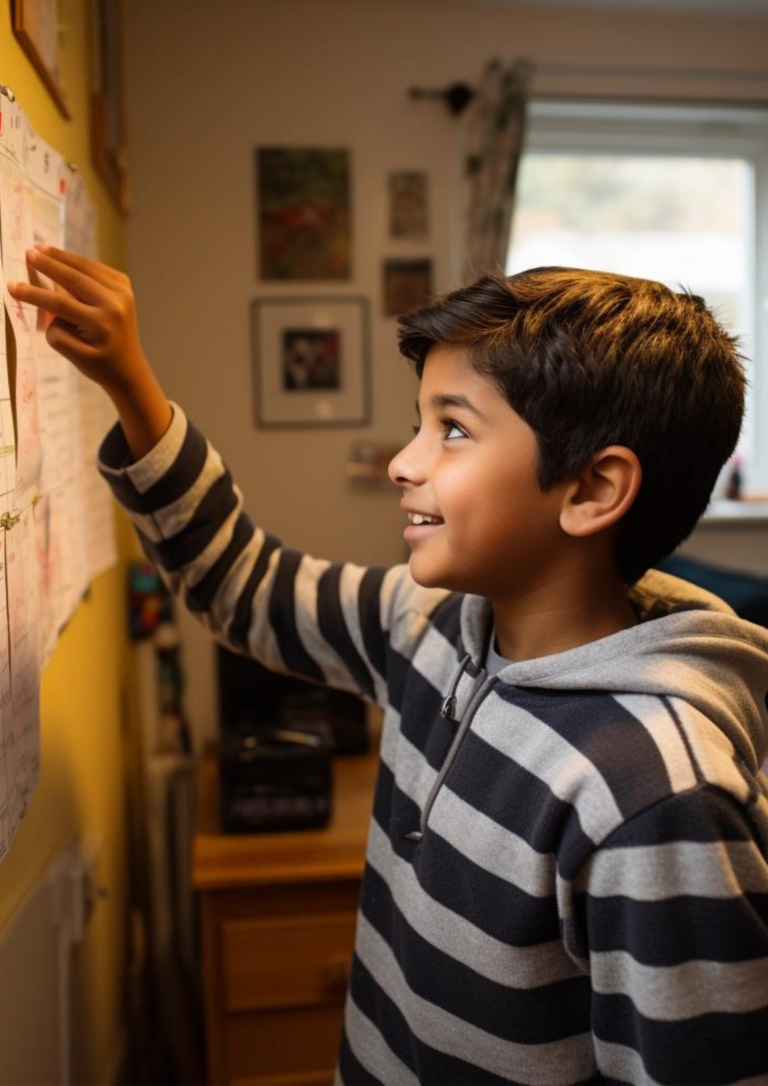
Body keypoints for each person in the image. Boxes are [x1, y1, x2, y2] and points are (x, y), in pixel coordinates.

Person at [9, 249, 768, 1085]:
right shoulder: (433, 623)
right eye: (420, 423)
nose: (404, 463)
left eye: (452, 429)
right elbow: (245, 588)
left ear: (591, 490)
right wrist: (130, 383)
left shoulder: (653, 794)